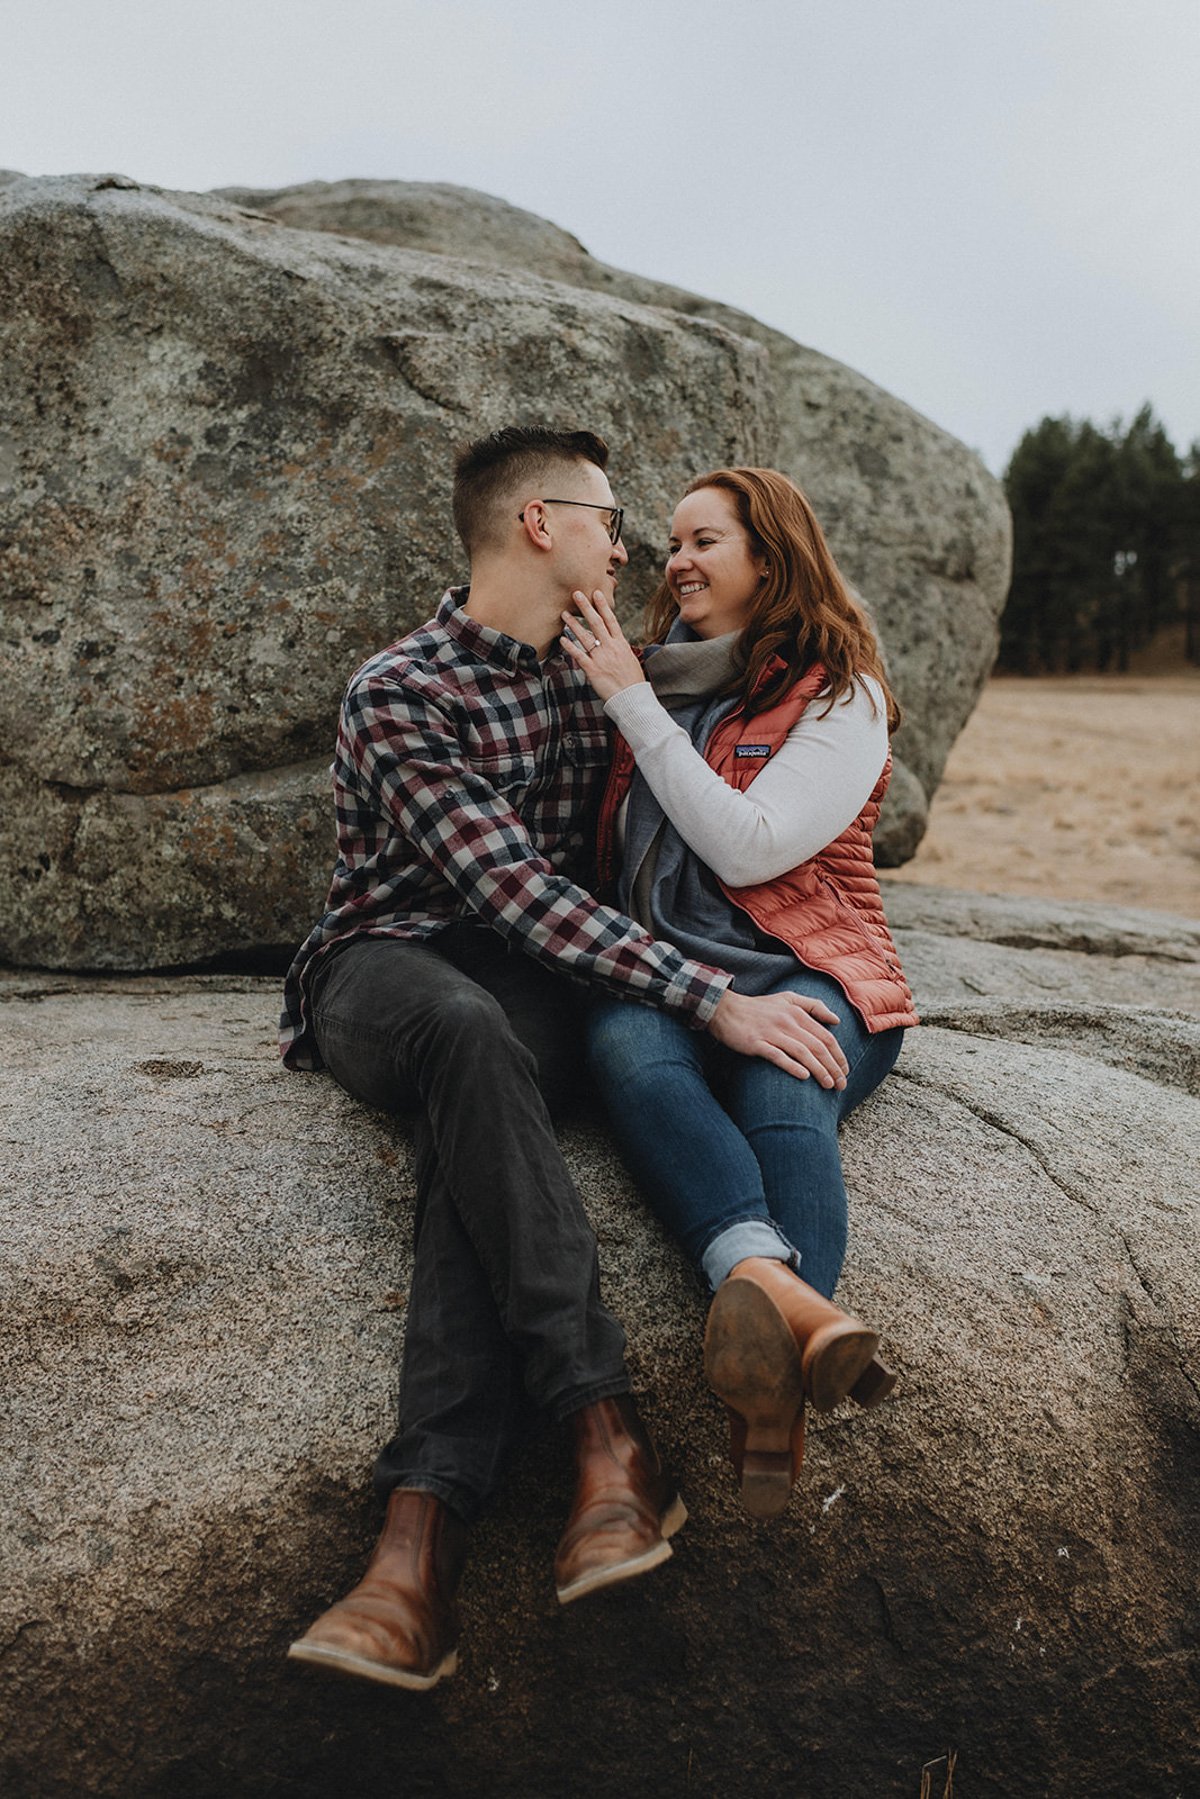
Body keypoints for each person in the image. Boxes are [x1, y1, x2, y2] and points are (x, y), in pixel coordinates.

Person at [278, 428, 838, 1692]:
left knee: (486, 1100)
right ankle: (600, 1422)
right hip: (388, 966)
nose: (627, 543)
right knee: (467, 1036)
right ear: (541, 524)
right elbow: (514, 890)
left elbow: (718, 771)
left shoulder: (602, 676)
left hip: (531, 990)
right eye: (610, 516)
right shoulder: (403, 688)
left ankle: (416, 1546)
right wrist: (712, 1000)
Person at [559, 466, 919, 1523]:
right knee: (622, 1042)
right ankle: (778, 1298)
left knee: (782, 1082)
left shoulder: (838, 693)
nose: (676, 560)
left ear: (771, 556)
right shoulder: (663, 679)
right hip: (673, 976)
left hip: (813, 967)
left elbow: (750, 847)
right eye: (671, 541)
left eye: (705, 539)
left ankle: (774, 1405)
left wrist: (628, 698)